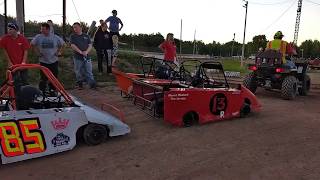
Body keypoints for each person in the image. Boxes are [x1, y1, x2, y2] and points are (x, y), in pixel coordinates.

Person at [31, 22, 65, 93]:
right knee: (43, 77)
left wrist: (59, 52)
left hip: (54, 61)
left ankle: (52, 90)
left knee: (54, 77)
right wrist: (37, 52)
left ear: (48, 29)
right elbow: (32, 44)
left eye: (43, 29)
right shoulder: (38, 37)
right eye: (41, 29)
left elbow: (63, 44)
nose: (42, 31)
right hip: (43, 61)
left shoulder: (55, 37)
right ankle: (42, 91)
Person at [70, 22, 96, 89]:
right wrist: (81, 52)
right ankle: (80, 84)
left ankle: (92, 84)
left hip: (87, 57)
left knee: (89, 71)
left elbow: (90, 45)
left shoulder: (86, 36)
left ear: (80, 27)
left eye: (76, 27)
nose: (75, 29)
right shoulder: (73, 36)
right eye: (74, 27)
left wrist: (86, 52)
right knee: (78, 71)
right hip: (77, 57)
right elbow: (72, 45)